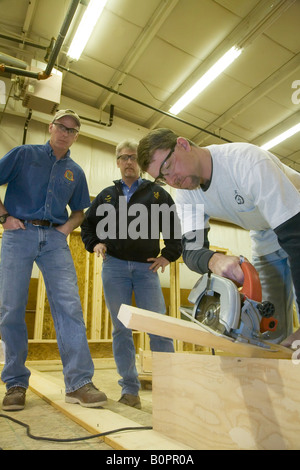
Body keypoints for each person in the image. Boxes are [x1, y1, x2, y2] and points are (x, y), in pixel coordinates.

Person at [137, 128, 300, 347]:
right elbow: (192, 251)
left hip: (296, 224)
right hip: (264, 234)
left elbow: (295, 238)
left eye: (168, 166)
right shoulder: (187, 194)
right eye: (162, 177)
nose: (171, 179)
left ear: (183, 144)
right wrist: (214, 260)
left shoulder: (246, 162)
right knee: (269, 328)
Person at [0, 109, 107, 411]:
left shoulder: (76, 171)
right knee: (11, 307)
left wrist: (64, 231)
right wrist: (4, 217)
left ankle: (79, 383)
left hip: (54, 241)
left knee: (69, 306)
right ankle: (16, 383)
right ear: (51, 127)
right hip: (18, 234)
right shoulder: (24, 154)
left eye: (72, 130)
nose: (65, 132)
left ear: (76, 136)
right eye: (61, 126)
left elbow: (79, 211)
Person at [81, 139, 182, 408]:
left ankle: (168, 390)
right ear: (117, 162)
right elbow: (88, 227)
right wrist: (95, 244)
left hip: (146, 270)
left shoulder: (158, 194)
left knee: (159, 328)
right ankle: (130, 390)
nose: (129, 162)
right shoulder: (105, 196)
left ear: (142, 162)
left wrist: (167, 255)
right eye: (124, 157)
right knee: (121, 329)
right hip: (114, 268)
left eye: (134, 157)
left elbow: (174, 228)